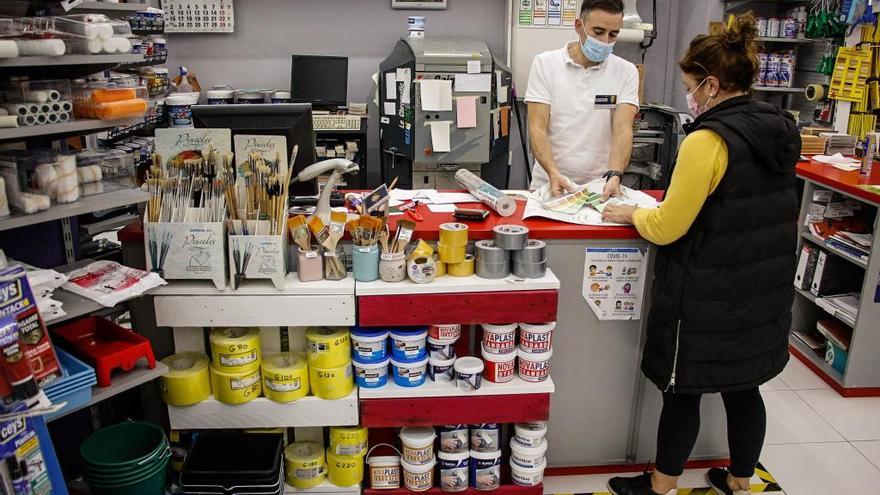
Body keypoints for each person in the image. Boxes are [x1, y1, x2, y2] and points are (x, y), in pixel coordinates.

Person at [601, 14, 799, 495]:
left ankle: (661, 485)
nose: (689, 95)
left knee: (682, 390)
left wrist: (630, 214)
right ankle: (739, 480)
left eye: (691, 85)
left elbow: (669, 227)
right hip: (760, 287)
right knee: (744, 388)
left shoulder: (707, 140)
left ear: (711, 84)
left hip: (708, 289)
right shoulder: (779, 127)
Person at [525, 0, 640, 198]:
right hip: (549, 184)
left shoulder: (626, 72)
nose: (605, 41)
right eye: (598, 31)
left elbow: (622, 130)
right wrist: (553, 173)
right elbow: (537, 127)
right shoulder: (545, 64)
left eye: (613, 34)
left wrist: (615, 175)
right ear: (579, 26)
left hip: (599, 188)